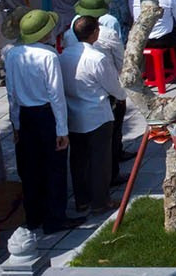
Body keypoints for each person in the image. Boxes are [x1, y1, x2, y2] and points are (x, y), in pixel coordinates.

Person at [5, 9, 83, 234]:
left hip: (25, 116)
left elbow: (11, 93)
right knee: (54, 169)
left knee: (31, 168)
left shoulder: (12, 54)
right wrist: (62, 130)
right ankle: (55, 218)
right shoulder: (48, 56)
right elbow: (56, 95)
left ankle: (34, 216)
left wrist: (16, 124)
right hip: (46, 115)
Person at [60, 16, 123, 216]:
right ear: (95, 32)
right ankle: (100, 201)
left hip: (73, 113)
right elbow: (112, 85)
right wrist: (122, 96)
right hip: (97, 114)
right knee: (99, 160)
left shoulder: (63, 56)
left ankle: (82, 200)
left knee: (78, 159)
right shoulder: (97, 58)